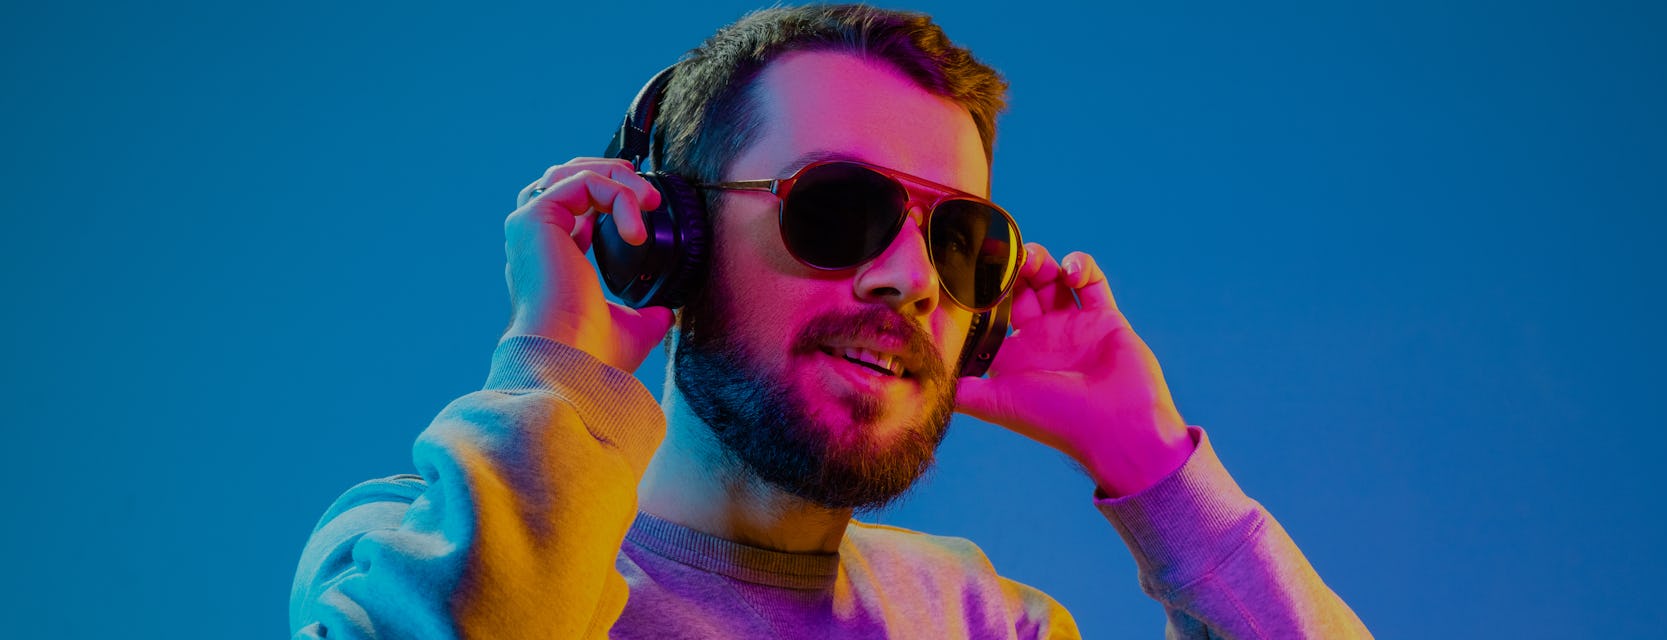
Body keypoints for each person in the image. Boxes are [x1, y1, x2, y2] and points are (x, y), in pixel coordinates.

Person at [288, 4, 1372, 638]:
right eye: (837, 209)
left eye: (958, 241)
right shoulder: (422, 550)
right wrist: (560, 371)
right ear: (667, 237)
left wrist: (1154, 469)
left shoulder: (979, 617)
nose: (908, 279)